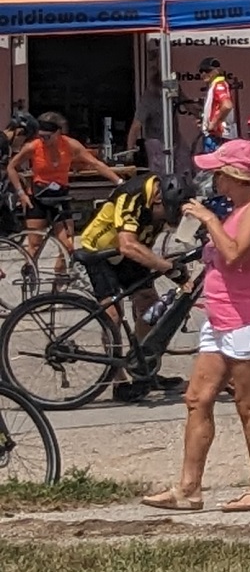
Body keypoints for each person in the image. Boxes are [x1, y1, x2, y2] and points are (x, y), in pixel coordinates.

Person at [142, 140, 250, 511]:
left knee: (248, 405)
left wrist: (208, 221)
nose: (213, 181)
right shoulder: (235, 209)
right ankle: (188, 489)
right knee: (197, 399)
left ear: (235, 176)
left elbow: (236, 254)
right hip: (221, 314)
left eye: (218, 174)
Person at [69, 167, 186, 401]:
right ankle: (118, 380)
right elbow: (127, 244)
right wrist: (165, 267)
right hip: (102, 250)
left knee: (150, 306)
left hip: (131, 253)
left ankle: (142, 365)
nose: (165, 219)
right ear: (157, 198)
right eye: (165, 213)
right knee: (112, 315)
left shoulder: (165, 202)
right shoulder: (131, 195)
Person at [9, 111, 117, 288]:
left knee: (67, 244)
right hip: (38, 196)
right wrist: (21, 193)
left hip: (60, 196)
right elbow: (12, 167)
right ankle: (30, 280)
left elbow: (96, 164)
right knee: (34, 245)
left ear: (59, 132)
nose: (44, 140)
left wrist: (119, 181)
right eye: (41, 136)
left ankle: (59, 282)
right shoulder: (33, 146)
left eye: (48, 136)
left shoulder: (69, 145)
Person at [195, 54, 239, 155]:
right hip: (217, 135)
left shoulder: (219, 85)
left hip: (220, 136)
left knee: (216, 167)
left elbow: (227, 105)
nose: (203, 74)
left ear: (216, 71)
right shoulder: (214, 85)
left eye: (207, 71)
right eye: (201, 71)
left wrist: (214, 123)